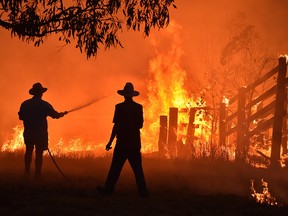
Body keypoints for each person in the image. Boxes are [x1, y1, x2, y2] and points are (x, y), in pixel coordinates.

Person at [97, 82, 148, 197]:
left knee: (115, 168)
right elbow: (140, 125)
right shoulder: (138, 108)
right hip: (134, 143)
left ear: (124, 95)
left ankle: (108, 189)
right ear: (132, 95)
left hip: (122, 143)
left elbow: (116, 126)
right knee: (138, 170)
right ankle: (143, 193)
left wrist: (110, 142)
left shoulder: (119, 107)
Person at [18, 82, 67, 178]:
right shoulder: (44, 105)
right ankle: (37, 174)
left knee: (28, 152)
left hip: (28, 132)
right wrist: (62, 114)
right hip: (40, 134)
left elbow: (21, 117)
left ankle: (27, 173)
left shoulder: (25, 104)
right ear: (41, 93)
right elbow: (55, 115)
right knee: (39, 154)